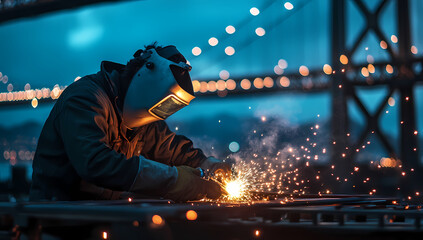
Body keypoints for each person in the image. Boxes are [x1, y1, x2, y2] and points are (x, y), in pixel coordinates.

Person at [29, 43, 231, 202]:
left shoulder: (143, 117)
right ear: (146, 74)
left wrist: (206, 164)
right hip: (56, 218)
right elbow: (95, 162)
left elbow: (170, 148)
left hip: (99, 215)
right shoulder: (85, 98)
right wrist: (174, 180)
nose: (160, 113)